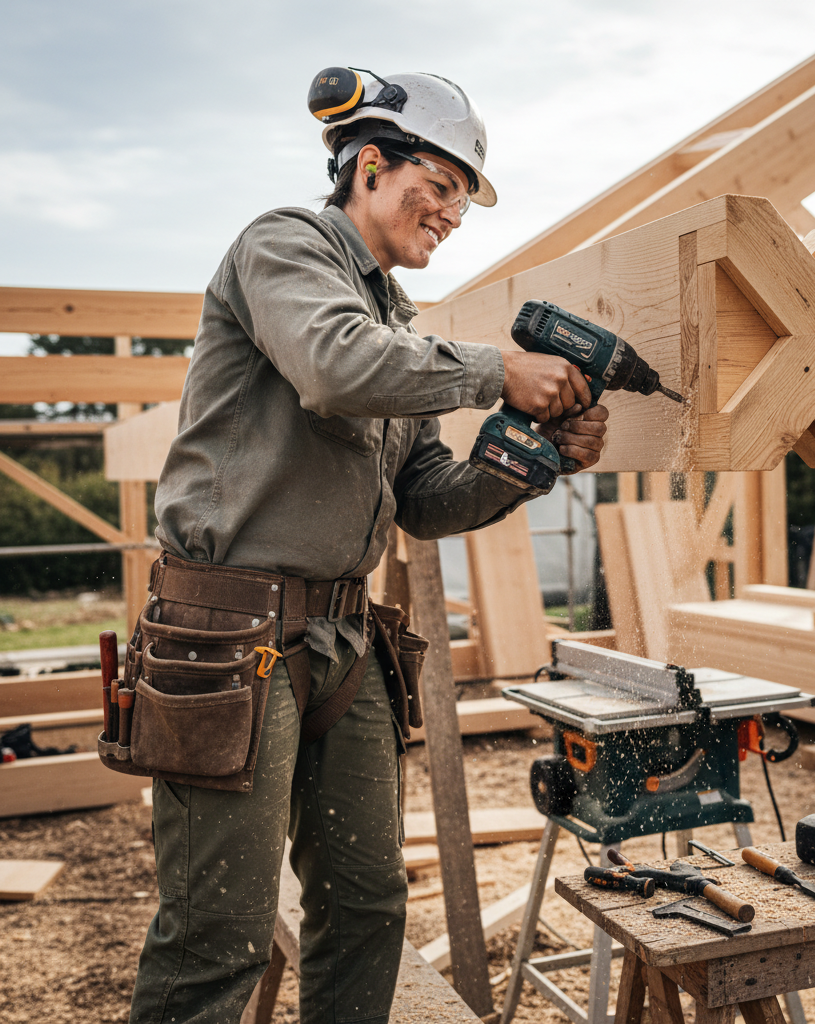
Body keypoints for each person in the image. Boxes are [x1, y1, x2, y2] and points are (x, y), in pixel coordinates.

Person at [126, 69, 609, 1024]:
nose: (454, 213)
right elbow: (332, 365)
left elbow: (425, 499)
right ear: (371, 163)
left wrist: (532, 457)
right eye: (442, 186)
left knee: (367, 905)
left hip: (341, 643)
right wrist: (496, 372)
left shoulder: (400, 325)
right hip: (228, 635)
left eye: (465, 198)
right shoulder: (285, 246)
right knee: (217, 932)